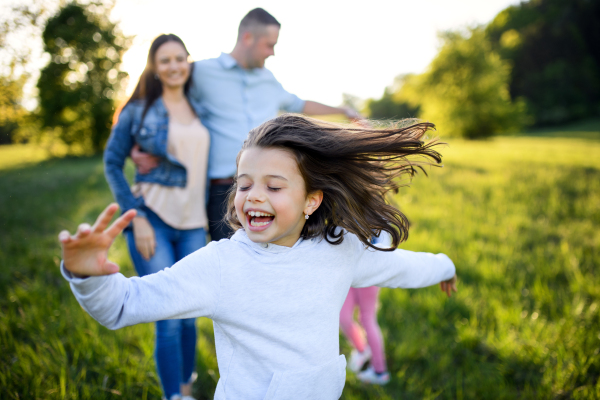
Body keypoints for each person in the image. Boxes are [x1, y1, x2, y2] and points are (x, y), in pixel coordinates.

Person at [59, 115, 458, 400]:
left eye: (274, 185)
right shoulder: (220, 266)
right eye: (244, 184)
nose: (253, 196)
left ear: (311, 200)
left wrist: (444, 265)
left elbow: (400, 266)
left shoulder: (340, 250)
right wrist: (89, 277)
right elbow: (125, 305)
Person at [131, 8, 362, 241]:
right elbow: (157, 96)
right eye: (269, 45)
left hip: (271, 187)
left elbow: (300, 104)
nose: (272, 53)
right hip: (223, 191)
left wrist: (344, 111)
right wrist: (136, 145)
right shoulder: (201, 72)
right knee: (232, 267)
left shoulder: (268, 79)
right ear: (248, 38)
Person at [103, 34, 209, 400]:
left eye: (180, 58)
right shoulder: (139, 110)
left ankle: (185, 386)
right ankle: (173, 396)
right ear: (154, 66)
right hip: (153, 221)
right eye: (165, 60)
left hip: (195, 224)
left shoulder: (200, 107)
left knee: (190, 313)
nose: (174, 66)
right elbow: (112, 163)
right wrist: (137, 217)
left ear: (188, 61)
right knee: (167, 316)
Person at [340, 233, 392, 385]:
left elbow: (384, 249)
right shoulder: (345, 212)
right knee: (343, 318)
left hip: (369, 275)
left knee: (367, 319)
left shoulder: (378, 222)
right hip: (348, 273)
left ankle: (380, 372)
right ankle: (362, 350)